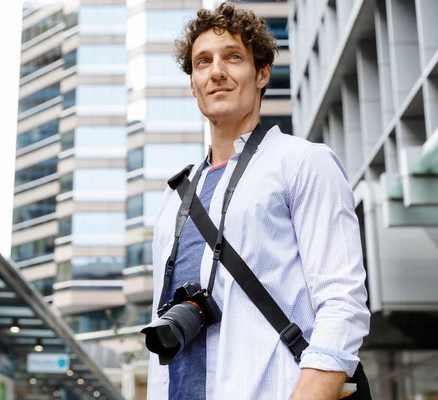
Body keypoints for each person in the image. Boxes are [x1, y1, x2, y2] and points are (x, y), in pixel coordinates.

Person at [146, 2, 371, 399]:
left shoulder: (302, 162)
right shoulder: (173, 199)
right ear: (193, 84)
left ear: (262, 73)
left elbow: (343, 303)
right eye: (202, 62)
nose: (216, 71)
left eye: (233, 57)